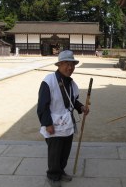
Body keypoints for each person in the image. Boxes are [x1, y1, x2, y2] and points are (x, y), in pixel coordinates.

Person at [37, 50, 89, 187]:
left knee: (65, 151)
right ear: (59, 64)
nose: (70, 67)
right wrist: (47, 123)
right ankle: (53, 176)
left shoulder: (72, 84)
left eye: (72, 64)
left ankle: (60, 171)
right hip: (53, 124)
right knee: (55, 153)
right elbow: (43, 105)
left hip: (68, 124)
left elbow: (73, 101)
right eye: (66, 63)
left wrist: (81, 107)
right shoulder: (49, 81)